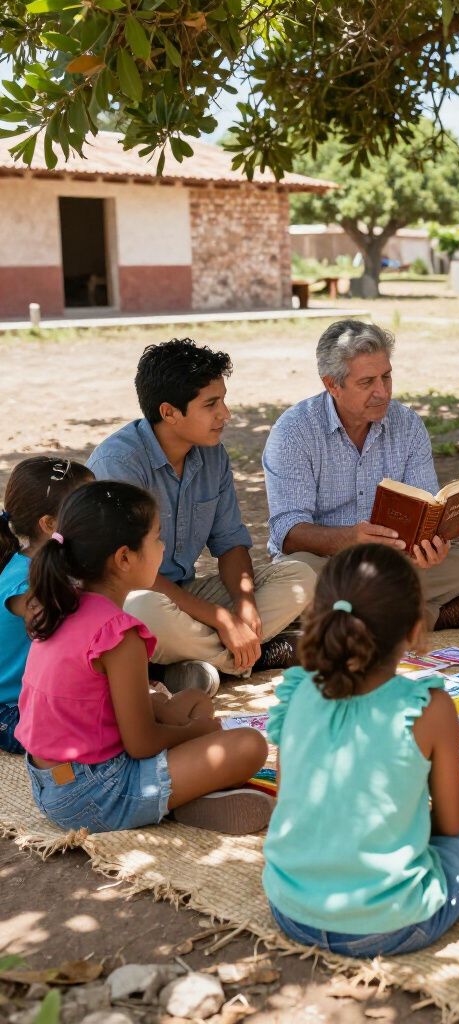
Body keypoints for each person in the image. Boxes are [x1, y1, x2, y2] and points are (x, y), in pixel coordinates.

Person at [263, 543, 459, 956]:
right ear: (415, 629)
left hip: (292, 909)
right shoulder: (428, 706)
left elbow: (288, 802)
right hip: (390, 924)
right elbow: (452, 827)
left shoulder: (296, 689)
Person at [15, 481, 272, 835]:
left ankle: (184, 797)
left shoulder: (64, 602)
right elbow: (142, 744)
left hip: (49, 783)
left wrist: (180, 719)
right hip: (94, 793)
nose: (162, 547)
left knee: (195, 700)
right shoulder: (119, 634)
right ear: (124, 558)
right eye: (157, 538)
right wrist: (201, 732)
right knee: (248, 745)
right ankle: (174, 800)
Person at [88, 339, 317, 694]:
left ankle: (188, 665)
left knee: (301, 575)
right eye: (211, 404)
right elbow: (125, 574)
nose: (225, 414)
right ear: (169, 413)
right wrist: (221, 618)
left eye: (223, 399)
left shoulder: (213, 455)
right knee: (144, 610)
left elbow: (230, 544)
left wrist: (244, 605)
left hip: (185, 596)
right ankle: (249, 657)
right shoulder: (118, 465)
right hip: (130, 597)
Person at [262, 320, 459, 632]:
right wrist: (348, 539)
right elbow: (287, 532)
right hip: (329, 565)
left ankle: (356, 619)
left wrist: (432, 545)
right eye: (367, 383)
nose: (381, 392)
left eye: (386, 377)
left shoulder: (408, 424)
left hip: (397, 563)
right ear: (332, 385)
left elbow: (428, 507)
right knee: (299, 578)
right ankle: (429, 615)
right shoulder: (294, 432)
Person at [0, 457, 93, 754]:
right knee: (100, 725)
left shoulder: (55, 566)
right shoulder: (28, 587)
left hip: (42, 694)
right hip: (11, 709)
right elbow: (71, 647)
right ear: (50, 524)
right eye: (87, 509)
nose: (99, 516)